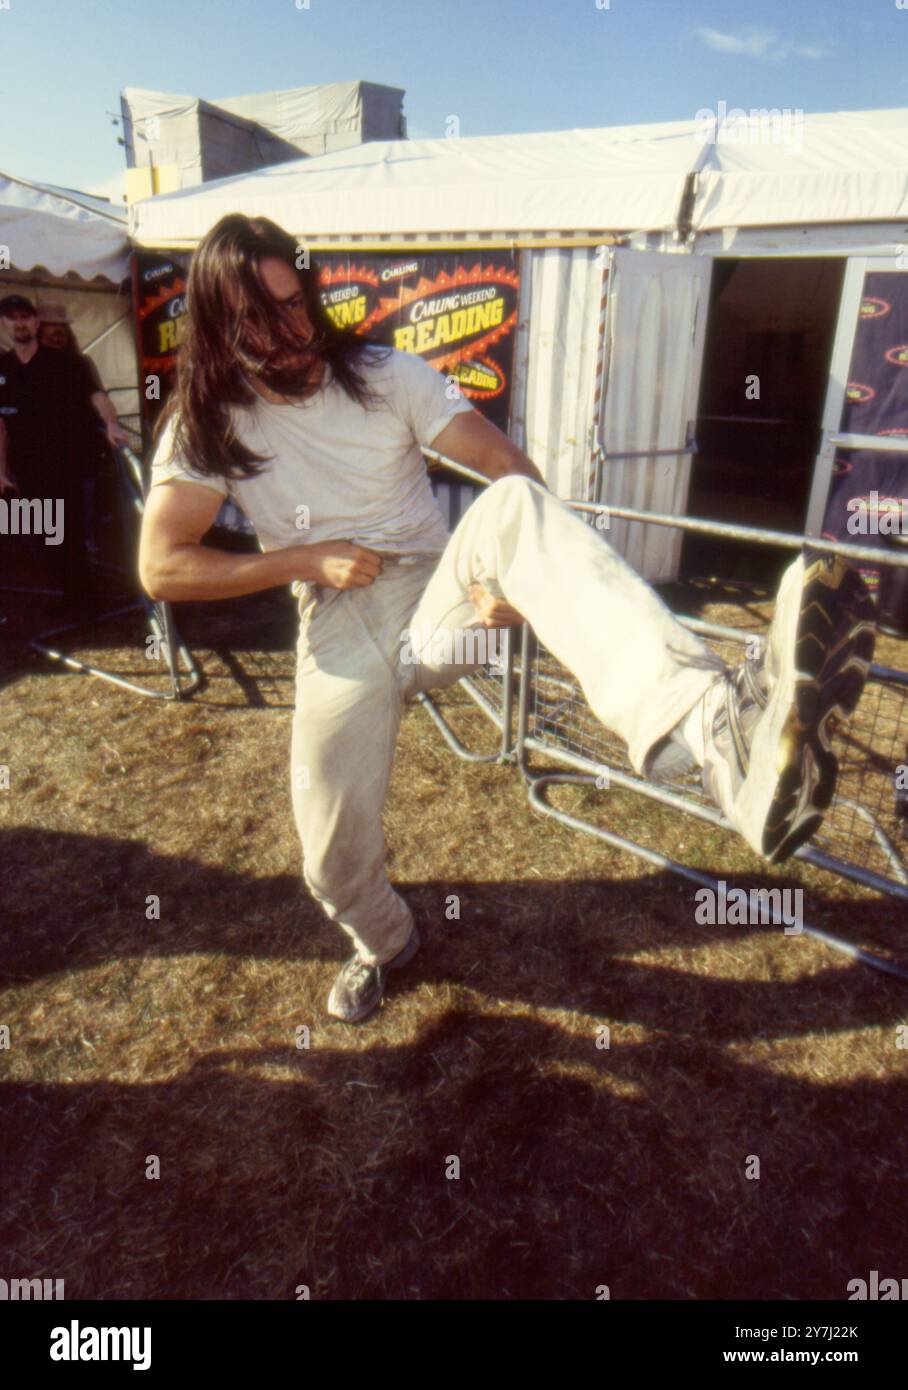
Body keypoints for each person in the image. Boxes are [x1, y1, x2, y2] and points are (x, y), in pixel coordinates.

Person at [138, 214, 876, 1024]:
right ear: (219, 327)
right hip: (337, 620)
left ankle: (716, 732)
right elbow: (163, 565)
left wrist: (509, 581)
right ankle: (381, 942)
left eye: (294, 302)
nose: (289, 329)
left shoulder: (388, 371)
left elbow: (506, 467)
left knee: (516, 507)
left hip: (436, 592)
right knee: (328, 859)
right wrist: (303, 560)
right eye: (258, 318)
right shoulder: (204, 420)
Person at [0, 294, 126, 611]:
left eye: (25, 317)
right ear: (4, 324)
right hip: (27, 470)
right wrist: (1, 470)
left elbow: (97, 396)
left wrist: (111, 424)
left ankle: (85, 600)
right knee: (44, 536)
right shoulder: (2, 367)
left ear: (35, 321)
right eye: (12, 318)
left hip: (68, 466)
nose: (19, 324)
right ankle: (71, 596)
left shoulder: (66, 362)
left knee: (71, 535)